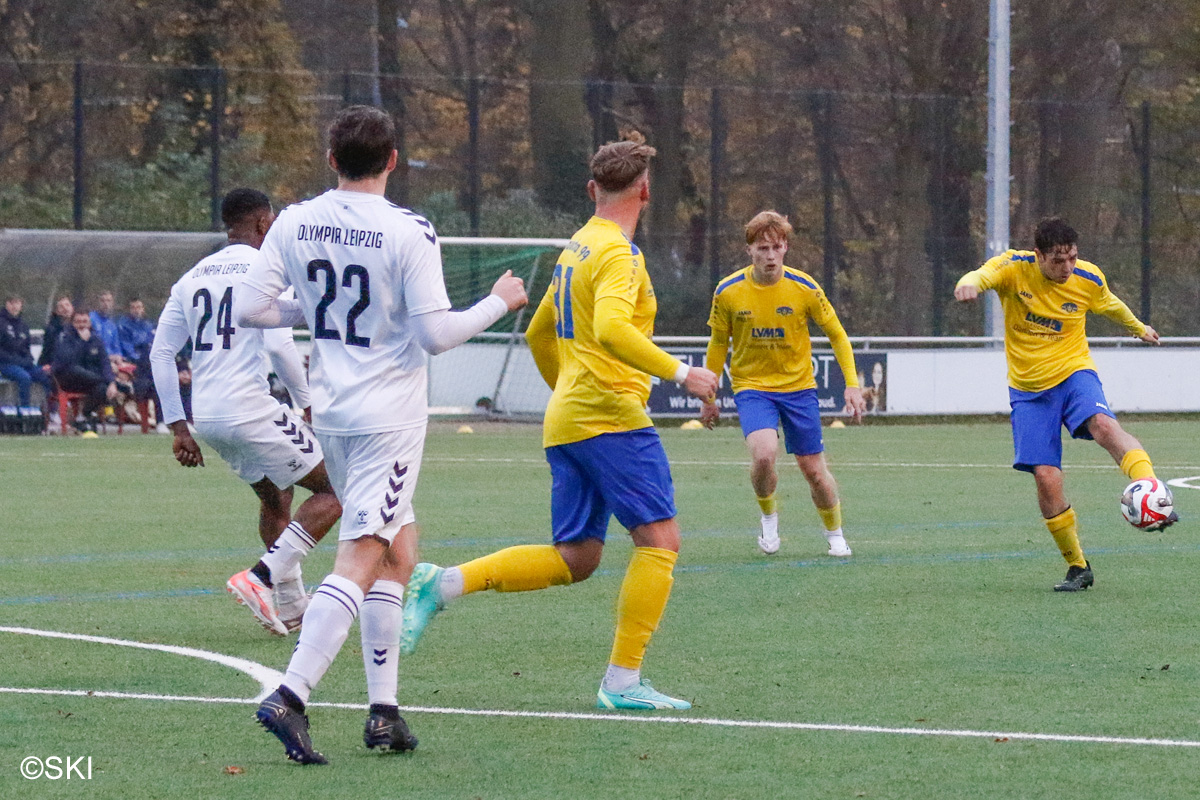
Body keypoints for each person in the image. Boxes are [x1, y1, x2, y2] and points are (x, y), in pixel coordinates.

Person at [238, 105, 528, 764]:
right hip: (387, 419)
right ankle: (290, 695)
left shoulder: (295, 219)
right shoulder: (408, 229)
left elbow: (253, 307)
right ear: (393, 159)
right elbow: (435, 335)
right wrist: (499, 301)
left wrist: (321, 306)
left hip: (334, 413)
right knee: (362, 556)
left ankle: (384, 712)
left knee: (399, 552)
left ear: (331, 159)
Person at [401, 136, 720, 712]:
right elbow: (614, 330)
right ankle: (622, 682)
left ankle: (443, 582)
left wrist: (567, 392)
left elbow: (537, 332)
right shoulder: (619, 254)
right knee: (661, 542)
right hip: (610, 415)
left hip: (570, 419)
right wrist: (683, 373)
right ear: (646, 192)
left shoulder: (576, 246)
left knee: (578, 558)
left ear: (593, 190)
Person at [151, 188, 343, 637]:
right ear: (262, 223)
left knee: (276, 498)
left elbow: (161, 354)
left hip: (208, 417)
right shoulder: (264, 270)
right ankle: (262, 577)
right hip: (249, 407)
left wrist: (179, 427)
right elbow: (278, 343)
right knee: (339, 486)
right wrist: (306, 402)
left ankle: (292, 606)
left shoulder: (190, 278)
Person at [954, 217, 1176, 592]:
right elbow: (981, 274)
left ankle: (1153, 490)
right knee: (1046, 477)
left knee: (1103, 425)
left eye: (1072, 257)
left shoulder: (1087, 278)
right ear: (1038, 255)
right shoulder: (1014, 268)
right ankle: (1077, 565)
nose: (1068, 267)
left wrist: (1138, 328)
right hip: (1028, 391)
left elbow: (1110, 304)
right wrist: (969, 284)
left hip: (1074, 373)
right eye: (1058, 260)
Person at [699, 211, 865, 557]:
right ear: (749, 250)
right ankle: (768, 517)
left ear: (786, 247)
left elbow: (837, 334)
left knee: (814, 471)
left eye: (776, 247)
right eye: (763, 248)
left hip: (799, 389)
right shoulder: (728, 291)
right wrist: (708, 395)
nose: (771, 256)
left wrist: (852, 384)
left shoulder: (805, 288)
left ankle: (835, 534)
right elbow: (717, 344)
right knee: (763, 456)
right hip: (752, 388)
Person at [52, 309, 119, 430]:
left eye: (85, 321)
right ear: (72, 323)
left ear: (89, 323)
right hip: (68, 379)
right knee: (75, 369)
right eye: (78, 322)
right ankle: (117, 386)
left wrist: (111, 383)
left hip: (91, 380)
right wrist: (82, 342)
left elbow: (104, 363)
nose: (82, 325)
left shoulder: (96, 339)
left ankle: (82, 416)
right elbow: (68, 360)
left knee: (102, 388)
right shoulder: (64, 337)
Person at [0, 294, 54, 409]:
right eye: (11, 303)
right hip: (5, 364)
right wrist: (16, 360)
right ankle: (25, 410)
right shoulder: (1, 323)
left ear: (21, 305)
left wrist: (28, 360)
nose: (14, 306)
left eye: (17, 303)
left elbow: (27, 349)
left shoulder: (23, 325)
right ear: (6, 304)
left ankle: (49, 410)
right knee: (25, 378)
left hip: (23, 364)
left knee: (46, 375)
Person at [37, 295, 74, 371]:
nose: (65, 308)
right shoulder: (52, 329)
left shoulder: (79, 326)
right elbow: (49, 351)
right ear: (57, 311)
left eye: (67, 305)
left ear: (72, 307)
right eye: (61, 306)